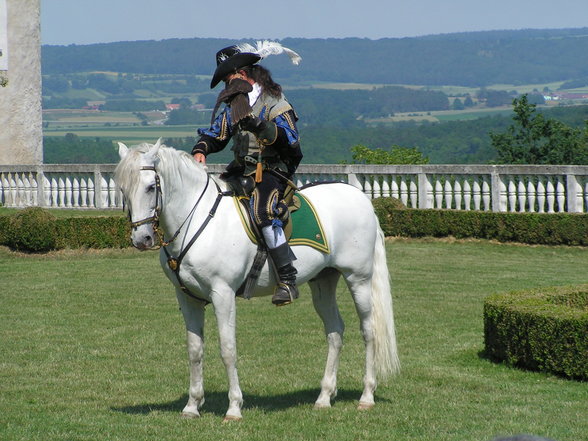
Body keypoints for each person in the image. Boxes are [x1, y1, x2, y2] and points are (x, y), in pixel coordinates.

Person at [192, 41, 303, 306]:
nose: (226, 87)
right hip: (242, 170)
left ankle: (287, 279)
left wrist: (258, 125)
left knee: (264, 211)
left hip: (274, 170)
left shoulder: (275, 102)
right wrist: (201, 149)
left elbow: (291, 140)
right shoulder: (235, 104)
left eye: (228, 79)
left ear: (243, 74)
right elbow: (218, 135)